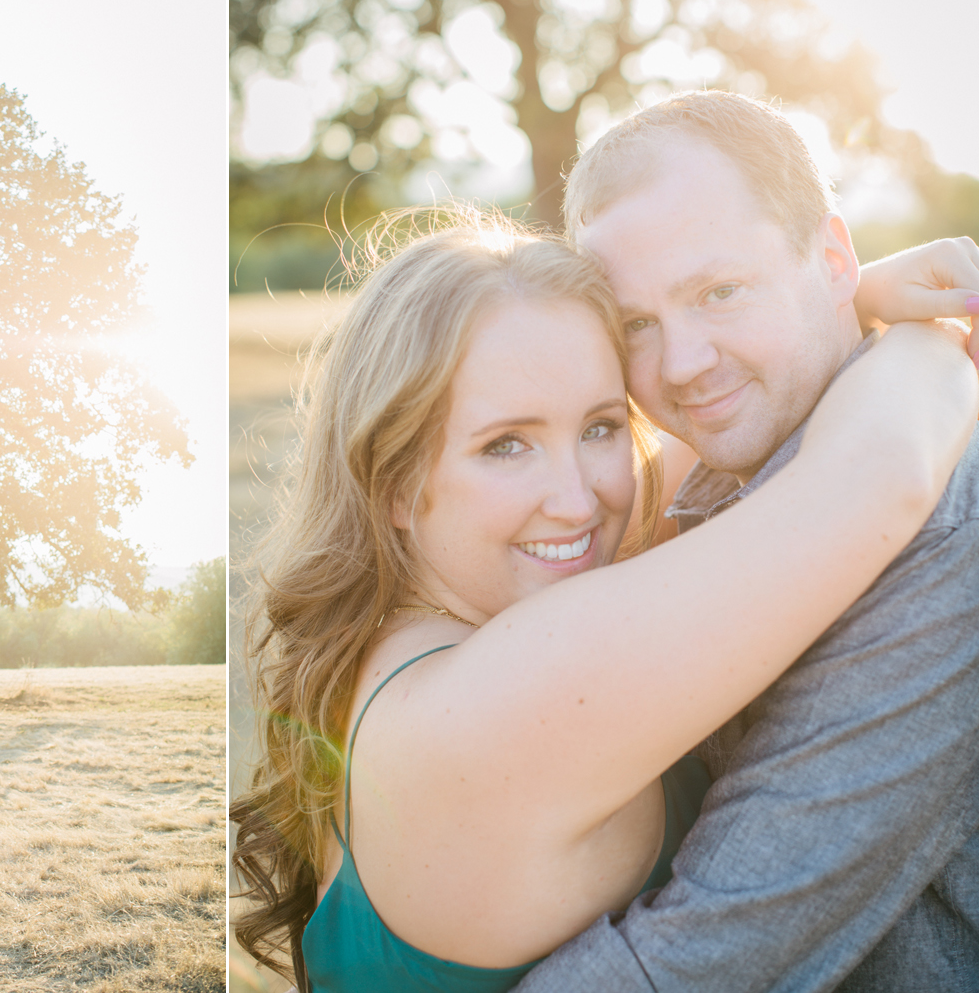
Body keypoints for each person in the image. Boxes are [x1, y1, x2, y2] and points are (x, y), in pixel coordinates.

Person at [229, 208, 979, 991]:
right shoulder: (493, 707)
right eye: (505, 445)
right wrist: (936, 329)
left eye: (598, 426)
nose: (579, 499)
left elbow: (725, 414)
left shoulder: (430, 632)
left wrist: (840, 301)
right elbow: (878, 474)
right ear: (395, 484)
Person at [513, 94, 979, 992]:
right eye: (637, 324)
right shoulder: (718, 480)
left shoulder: (938, 531)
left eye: (718, 291)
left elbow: (708, 955)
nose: (682, 363)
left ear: (833, 257)